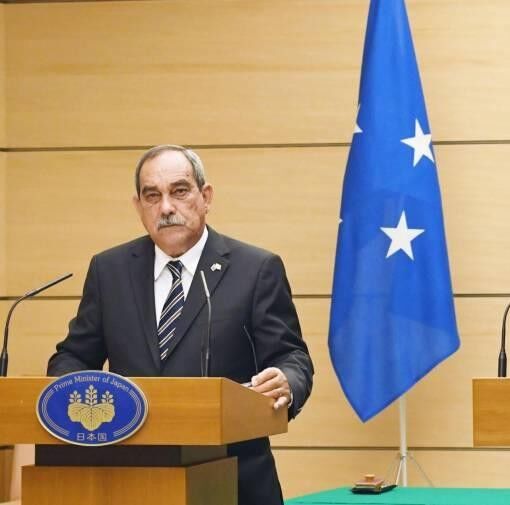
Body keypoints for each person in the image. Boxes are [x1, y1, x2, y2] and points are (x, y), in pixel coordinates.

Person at [47, 144, 313, 505]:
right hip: (131, 481)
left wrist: (287, 383)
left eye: (180, 191)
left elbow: (291, 357)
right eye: (152, 196)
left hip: (235, 481)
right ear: (138, 207)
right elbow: (73, 358)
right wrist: (78, 392)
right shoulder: (109, 271)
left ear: (205, 197)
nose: (167, 207)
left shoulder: (256, 269)